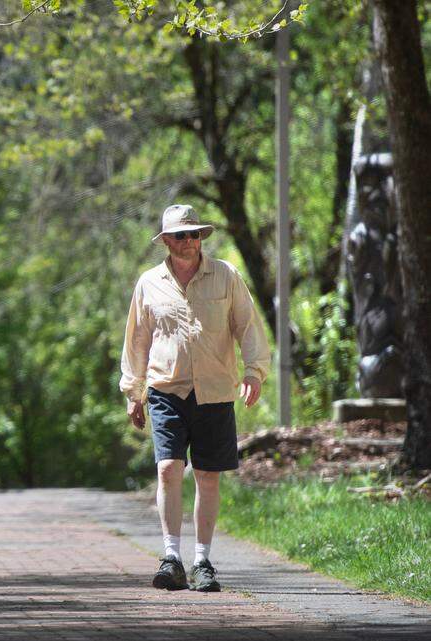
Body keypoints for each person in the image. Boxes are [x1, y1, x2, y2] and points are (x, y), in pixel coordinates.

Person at [120, 204, 270, 592]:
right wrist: (133, 392)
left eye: (195, 234)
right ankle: (171, 557)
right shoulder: (148, 283)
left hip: (216, 391)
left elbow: (248, 326)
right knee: (168, 468)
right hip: (166, 389)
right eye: (181, 235)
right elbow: (136, 341)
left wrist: (254, 371)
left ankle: (203, 561)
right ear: (166, 240)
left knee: (207, 475)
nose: (190, 241)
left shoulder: (226, 276)